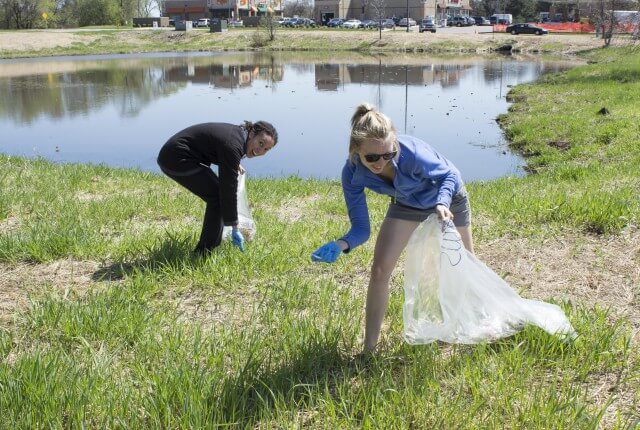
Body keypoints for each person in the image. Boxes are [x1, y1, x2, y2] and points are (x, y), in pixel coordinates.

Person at [311, 103, 474, 353]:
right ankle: (369, 349)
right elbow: (361, 229)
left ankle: (465, 325)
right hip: (407, 204)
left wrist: (442, 202)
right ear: (356, 151)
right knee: (379, 271)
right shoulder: (352, 173)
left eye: (387, 155)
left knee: (462, 266)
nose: (380, 162)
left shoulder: (412, 152)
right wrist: (341, 244)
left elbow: (449, 175)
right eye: (372, 157)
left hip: (448, 200)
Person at [157, 121, 278, 255]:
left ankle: (209, 247)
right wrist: (234, 227)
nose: (260, 150)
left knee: (218, 196)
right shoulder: (233, 145)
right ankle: (204, 253)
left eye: (266, 149)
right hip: (174, 159)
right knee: (218, 197)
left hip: (181, 156)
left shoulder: (238, 137)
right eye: (261, 143)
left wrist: (232, 162)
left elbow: (217, 147)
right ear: (252, 133)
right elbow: (228, 189)